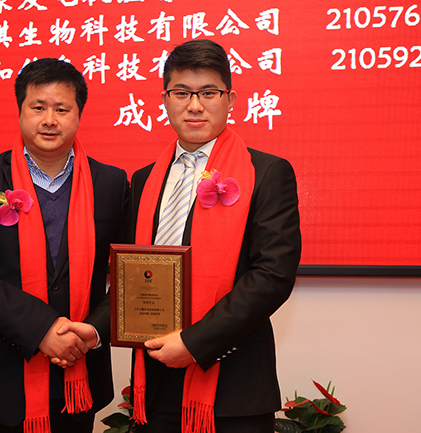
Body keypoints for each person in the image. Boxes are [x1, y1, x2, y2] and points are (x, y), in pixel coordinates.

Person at [0, 58, 128, 433]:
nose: (49, 120)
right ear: (20, 111)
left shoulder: (110, 183)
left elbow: (132, 275)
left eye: (62, 109)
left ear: (79, 115)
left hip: (78, 377)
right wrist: (42, 329)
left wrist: (94, 331)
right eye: (38, 107)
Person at [126, 39, 302, 433]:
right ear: (165, 99)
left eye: (208, 92)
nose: (194, 105)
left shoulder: (267, 173)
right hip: (157, 381)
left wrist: (194, 343)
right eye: (181, 93)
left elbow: (272, 276)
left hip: (234, 387)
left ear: (230, 99)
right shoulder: (143, 181)